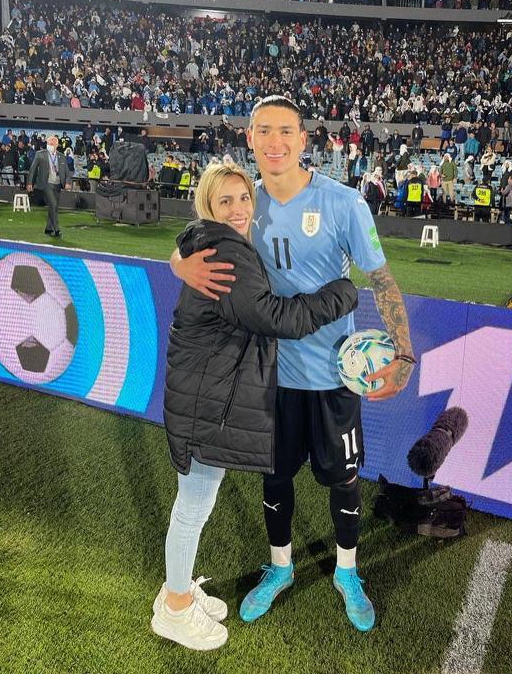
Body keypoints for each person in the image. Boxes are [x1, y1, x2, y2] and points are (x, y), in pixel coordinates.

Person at [170, 96, 414, 633]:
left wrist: (404, 354)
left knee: (343, 479)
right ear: (250, 139)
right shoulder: (243, 203)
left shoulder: (344, 203)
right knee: (275, 477)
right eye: (263, 131)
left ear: (304, 139)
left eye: (285, 131)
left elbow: (381, 280)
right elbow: (197, 237)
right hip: (269, 377)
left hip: (334, 377)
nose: (274, 141)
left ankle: (347, 572)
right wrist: (178, 263)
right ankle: (280, 568)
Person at [152, 161, 358, 651]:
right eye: (225, 201)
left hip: (206, 395)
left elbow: (188, 252)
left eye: (244, 198)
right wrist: (342, 294)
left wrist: (177, 260)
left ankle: (178, 592)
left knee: (195, 503)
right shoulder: (225, 252)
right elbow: (277, 318)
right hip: (206, 401)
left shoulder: (214, 242)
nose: (239, 208)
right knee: (193, 508)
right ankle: (175, 607)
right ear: (208, 206)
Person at [26, 134, 72, 237]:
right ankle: (57, 229)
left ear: (56, 145)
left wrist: (68, 182)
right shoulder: (40, 154)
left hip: (58, 185)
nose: (49, 145)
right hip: (46, 184)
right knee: (54, 205)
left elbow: (67, 172)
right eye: (48, 143)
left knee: (53, 207)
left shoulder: (62, 156)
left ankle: (48, 228)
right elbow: (32, 169)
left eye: (51, 144)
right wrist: (29, 183)